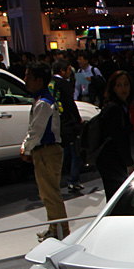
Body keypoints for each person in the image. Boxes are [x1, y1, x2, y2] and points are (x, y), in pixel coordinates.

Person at [21, 62, 69, 242]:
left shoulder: (44, 103)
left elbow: (36, 131)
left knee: (51, 195)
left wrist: (26, 149)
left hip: (47, 151)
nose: (25, 79)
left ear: (39, 80)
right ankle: (54, 228)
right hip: (45, 151)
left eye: (28, 76)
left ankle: (61, 231)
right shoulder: (41, 100)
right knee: (47, 194)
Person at [91, 70, 134, 197]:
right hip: (110, 159)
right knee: (117, 196)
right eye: (119, 85)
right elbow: (119, 138)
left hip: (113, 158)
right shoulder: (114, 108)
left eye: (126, 84)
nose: (123, 88)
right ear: (113, 88)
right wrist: (129, 163)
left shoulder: (121, 106)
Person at [50, 60, 83, 193]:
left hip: (56, 120)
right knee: (75, 151)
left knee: (62, 151)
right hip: (68, 122)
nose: (70, 72)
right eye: (69, 70)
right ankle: (73, 180)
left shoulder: (50, 83)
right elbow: (70, 103)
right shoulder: (64, 83)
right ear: (62, 71)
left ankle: (55, 180)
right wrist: (78, 118)